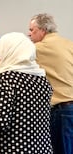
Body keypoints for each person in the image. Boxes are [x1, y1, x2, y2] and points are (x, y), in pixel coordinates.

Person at [28, 13, 73, 154]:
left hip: (61, 111)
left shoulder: (39, 48)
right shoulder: (69, 44)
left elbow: (10, 60)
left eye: (32, 30)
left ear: (43, 30)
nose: (29, 34)